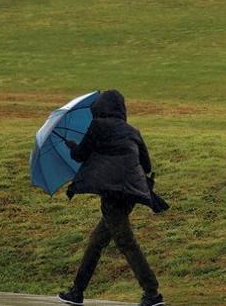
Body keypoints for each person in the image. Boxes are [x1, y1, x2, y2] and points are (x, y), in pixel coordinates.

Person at [59, 91, 166, 306]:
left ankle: (152, 292)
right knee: (96, 242)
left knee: (126, 242)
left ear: (101, 108)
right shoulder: (132, 131)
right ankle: (77, 291)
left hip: (112, 192)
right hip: (132, 193)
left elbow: (81, 155)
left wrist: (72, 146)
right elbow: (146, 165)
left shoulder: (98, 126)